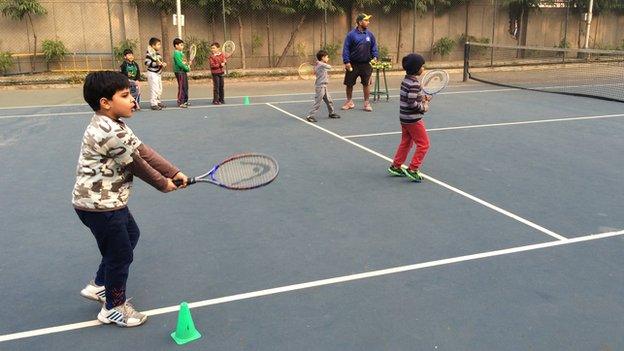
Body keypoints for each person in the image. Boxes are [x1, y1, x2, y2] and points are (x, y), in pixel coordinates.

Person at [74, 71, 188, 327]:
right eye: (125, 96)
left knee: (130, 236)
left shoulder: (116, 124)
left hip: (108, 203)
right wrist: (163, 184)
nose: (134, 101)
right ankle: (113, 308)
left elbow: (144, 151)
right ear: (105, 102)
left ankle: (100, 285)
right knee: (120, 255)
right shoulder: (107, 132)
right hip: (99, 206)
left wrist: (174, 172)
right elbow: (136, 164)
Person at [387, 53, 431, 182]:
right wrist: (424, 107)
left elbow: (410, 97)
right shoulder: (414, 84)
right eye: (422, 66)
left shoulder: (406, 81)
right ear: (416, 68)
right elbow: (412, 103)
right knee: (424, 144)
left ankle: (396, 166)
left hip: (404, 118)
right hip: (413, 120)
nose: (423, 68)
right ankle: (413, 169)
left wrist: (423, 98)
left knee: (406, 143)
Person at [341, 13, 378, 112]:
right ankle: (349, 102)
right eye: (366, 20)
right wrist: (347, 61)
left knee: (366, 84)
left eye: (368, 20)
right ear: (360, 22)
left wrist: (375, 56)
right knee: (349, 84)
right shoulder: (351, 35)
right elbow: (346, 49)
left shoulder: (370, 34)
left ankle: (366, 103)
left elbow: (374, 46)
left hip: (366, 64)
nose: (368, 22)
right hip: (353, 63)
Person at [305, 49, 341, 122]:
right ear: (322, 57)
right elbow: (329, 67)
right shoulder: (321, 64)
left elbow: (322, 71)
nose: (328, 58)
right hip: (320, 87)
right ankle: (310, 116)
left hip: (324, 86)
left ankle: (331, 113)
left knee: (329, 100)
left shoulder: (319, 65)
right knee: (318, 102)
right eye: (327, 57)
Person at [144, 37, 167, 110]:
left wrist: (163, 64)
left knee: (160, 89)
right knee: (154, 88)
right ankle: (153, 104)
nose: (159, 46)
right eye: (158, 44)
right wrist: (155, 63)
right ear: (153, 46)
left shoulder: (158, 55)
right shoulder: (149, 54)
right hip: (152, 74)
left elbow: (159, 63)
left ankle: (158, 101)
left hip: (158, 74)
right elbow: (146, 62)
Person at [172, 38, 190, 108]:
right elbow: (180, 64)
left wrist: (188, 64)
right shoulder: (176, 53)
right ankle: (181, 101)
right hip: (179, 72)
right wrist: (187, 68)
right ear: (176, 46)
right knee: (182, 86)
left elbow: (184, 62)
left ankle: (185, 101)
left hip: (183, 72)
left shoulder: (181, 53)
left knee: (185, 86)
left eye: (183, 45)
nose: (182, 46)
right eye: (181, 45)